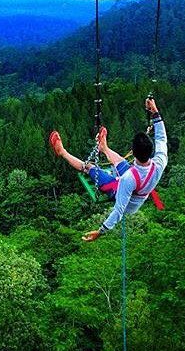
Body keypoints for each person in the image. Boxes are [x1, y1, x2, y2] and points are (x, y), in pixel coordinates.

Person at [49, 97, 167, 242]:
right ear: (151, 150)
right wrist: (154, 111)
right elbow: (161, 137)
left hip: (128, 199)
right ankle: (103, 147)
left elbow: (119, 210)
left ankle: (62, 152)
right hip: (140, 183)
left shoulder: (128, 178)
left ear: (134, 153)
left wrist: (101, 231)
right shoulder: (160, 161)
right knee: (120, 161)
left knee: (89, 167)